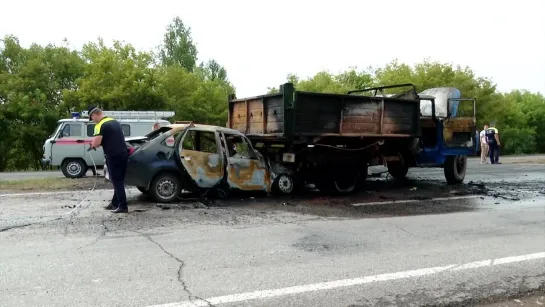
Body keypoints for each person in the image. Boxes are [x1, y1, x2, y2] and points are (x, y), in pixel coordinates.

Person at [88, 106, 129, 213]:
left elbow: (96, 143)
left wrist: (92, 145)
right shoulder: (114, 121)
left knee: (116, 181)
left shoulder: (100, 125)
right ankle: (115, 203)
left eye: (92, 118)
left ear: (94, 115)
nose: (93, 121)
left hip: (113, 155)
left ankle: (123, 206)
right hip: (124, 154)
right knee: (119, 180)